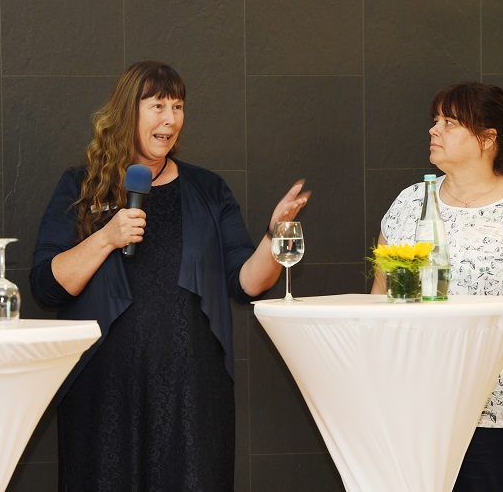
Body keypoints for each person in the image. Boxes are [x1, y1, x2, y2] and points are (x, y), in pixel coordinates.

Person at [30, 61, 309, 490]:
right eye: (157, 106)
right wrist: (106, 238)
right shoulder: (82, 186)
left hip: (190, 393)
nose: (170, 119)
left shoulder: (208, 189)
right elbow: (47, 287)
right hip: (104, 392)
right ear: (128, 111)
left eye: (178, 107)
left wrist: (274, 236)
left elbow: (247, 283)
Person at [371, 82, 503, 492]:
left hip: (498, 414)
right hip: (413, 410)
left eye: (449, 122)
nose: (434, 130)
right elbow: (380, 298)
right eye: (435, 120)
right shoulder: (409, 204)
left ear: (487, 138)